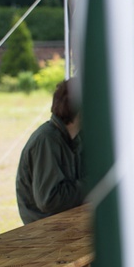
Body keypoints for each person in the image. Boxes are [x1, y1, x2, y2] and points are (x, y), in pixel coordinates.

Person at [16, 78, 85, 224]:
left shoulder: (76, 137)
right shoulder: (46, 140)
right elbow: (49, 200)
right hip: (46, 229)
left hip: (67, 222)